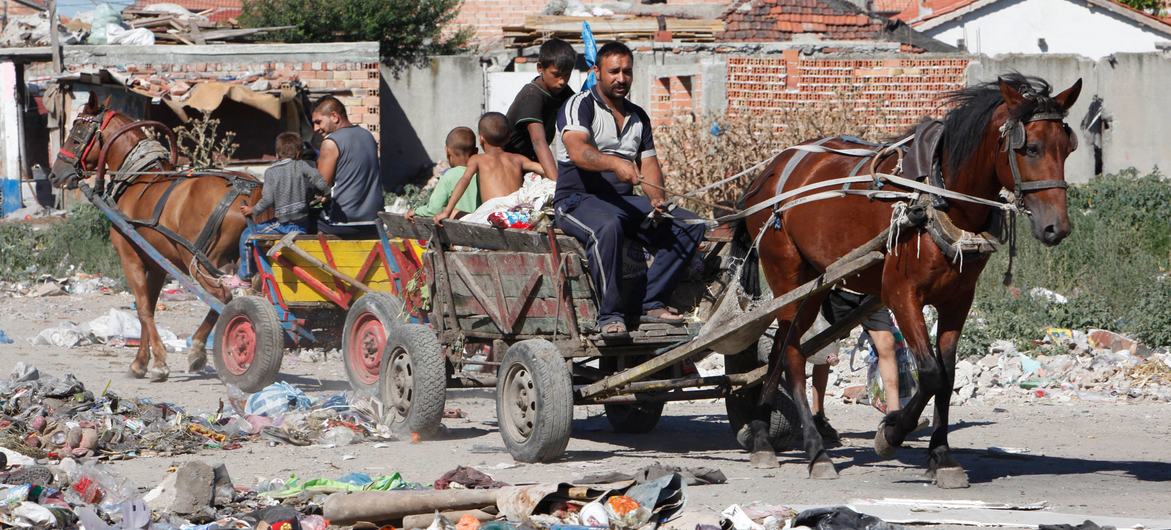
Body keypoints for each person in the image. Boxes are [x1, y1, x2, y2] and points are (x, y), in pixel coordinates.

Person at [552, 41, 706, 338]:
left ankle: (650, 300)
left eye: (627, 72)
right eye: (613, 71)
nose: (621, 78)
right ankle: (609, 314)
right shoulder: (579, 105)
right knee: (609, 226)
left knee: (690, 224)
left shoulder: (638, 117)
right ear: (596, 71)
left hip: (622, 201)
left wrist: (657, 198)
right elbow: (578, 150)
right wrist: (615, 164)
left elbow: (649, 164)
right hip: (576, 200)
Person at [808, 289, 902, 443]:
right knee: (825, 349)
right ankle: (818, 415)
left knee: (887, 342)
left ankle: (894, 417)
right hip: (839, 290)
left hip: (872, 290)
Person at [234, 132, 329, 282]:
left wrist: (253, 209)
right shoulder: (302, 165)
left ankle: (245, 275)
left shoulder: (271, 172)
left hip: (283, 226)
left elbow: (268, 199)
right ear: (298, 153)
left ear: (277, 155)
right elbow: (318, 180)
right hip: (301, 226)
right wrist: (326, 193)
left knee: (247, 234)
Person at [434, 113, 544, 225]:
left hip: (493, 215)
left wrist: (447, 211)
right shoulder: (518, 159)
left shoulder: (477, 159)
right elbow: (543, 169)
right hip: (515, 214)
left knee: (453, 212)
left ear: (481, 138)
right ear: (508, 138)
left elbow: (464, 181)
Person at [503, 38, 576, 181]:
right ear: (540, 68)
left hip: (533, 163)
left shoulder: (563, 92)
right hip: (510, 164)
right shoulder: (532, 95)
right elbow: (538, 141)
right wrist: (556, 184)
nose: (562, 81)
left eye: (567, 75)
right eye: (556, 74)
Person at [311, 96, 382, 237]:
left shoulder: (331, 142)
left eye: (318, 122)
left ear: (334, 117)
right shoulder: (368, 136)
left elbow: (320, 186)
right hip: (373, 222)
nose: (316, 128)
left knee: (304, 218)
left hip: (341, 223)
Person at [406, 126, 480, 221]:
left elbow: (434, 209)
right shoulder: (482, 174)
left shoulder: (449, 176)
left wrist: (416, 211)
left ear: (447, 152)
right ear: (476, 152)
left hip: (456, 230)